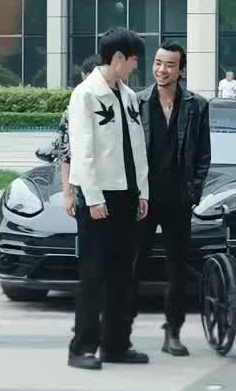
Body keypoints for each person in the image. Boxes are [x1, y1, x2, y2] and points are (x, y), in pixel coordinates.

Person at [66, 28, 149, 370]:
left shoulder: (128, 96)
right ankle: (82, 348)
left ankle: (116, 344)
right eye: (133, 61)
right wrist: (93, 196)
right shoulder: (85, 95)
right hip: (99, 197)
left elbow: (137, 147)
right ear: (118, 58)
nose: (135, 67)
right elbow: (82, 150)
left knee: (122, 275)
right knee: (94, 274)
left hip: (128, 194)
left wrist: (142, 191)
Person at [133, 42, 211, 357]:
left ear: (181, 71)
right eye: (158, 63)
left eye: (169, 65)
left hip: (178, 199)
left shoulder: (197, 106)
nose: (161, 70)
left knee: (177, 269)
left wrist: (193, 193)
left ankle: (173, 333)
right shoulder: (137, 102)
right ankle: (119, 331)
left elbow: (203, 155)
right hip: (143, 199)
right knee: (133, 265)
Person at [56, 57, 97, 218]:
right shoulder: (72, 111)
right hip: (84, 189)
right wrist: (68, 194)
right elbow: (66, 155)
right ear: (83, 75)